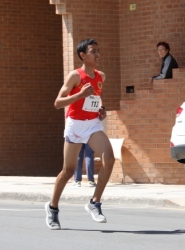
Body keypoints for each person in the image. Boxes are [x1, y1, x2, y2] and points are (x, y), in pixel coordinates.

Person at [45, 38, 115, 230]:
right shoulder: (75, 76)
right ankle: (53, 208)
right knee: (67, 171)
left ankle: (95, 202)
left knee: (109, 158)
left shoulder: (101, 76)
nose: (97, 54)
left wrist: (101, 109)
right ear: (83, 55)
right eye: (93, 51)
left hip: (92, 124)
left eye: (98, 51)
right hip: (75, 125)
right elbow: (58, 103)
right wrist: (79, 95)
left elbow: (95, 99)